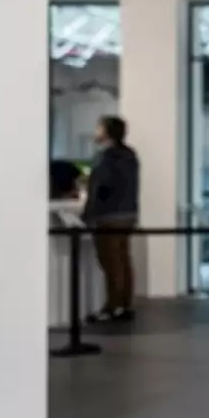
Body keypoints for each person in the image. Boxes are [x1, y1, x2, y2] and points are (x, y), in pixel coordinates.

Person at [83, 115, 140, 323]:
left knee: (111, 263)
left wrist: (88, 214)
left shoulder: (105, 157)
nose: (95, 132)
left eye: (98, 128)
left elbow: (100, 188)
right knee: (123, 261)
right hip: (128, 215)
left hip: (108, 216)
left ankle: (112, 307)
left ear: (107, 132)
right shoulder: (130, 155)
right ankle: (125, 305)